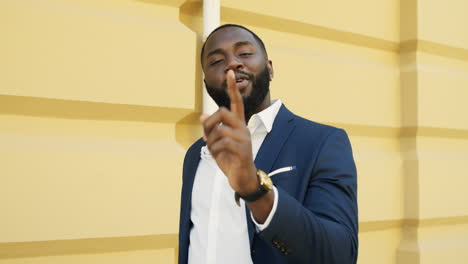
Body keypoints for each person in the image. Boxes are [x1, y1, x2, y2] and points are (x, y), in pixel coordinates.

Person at [178, 24, 358, 264]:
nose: (232, 63)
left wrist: (256, 190)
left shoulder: (321, 142)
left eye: (244, 53)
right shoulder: (196, 154)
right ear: (206, 81)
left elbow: (340, 254)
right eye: (216, 61)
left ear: (270, 68)